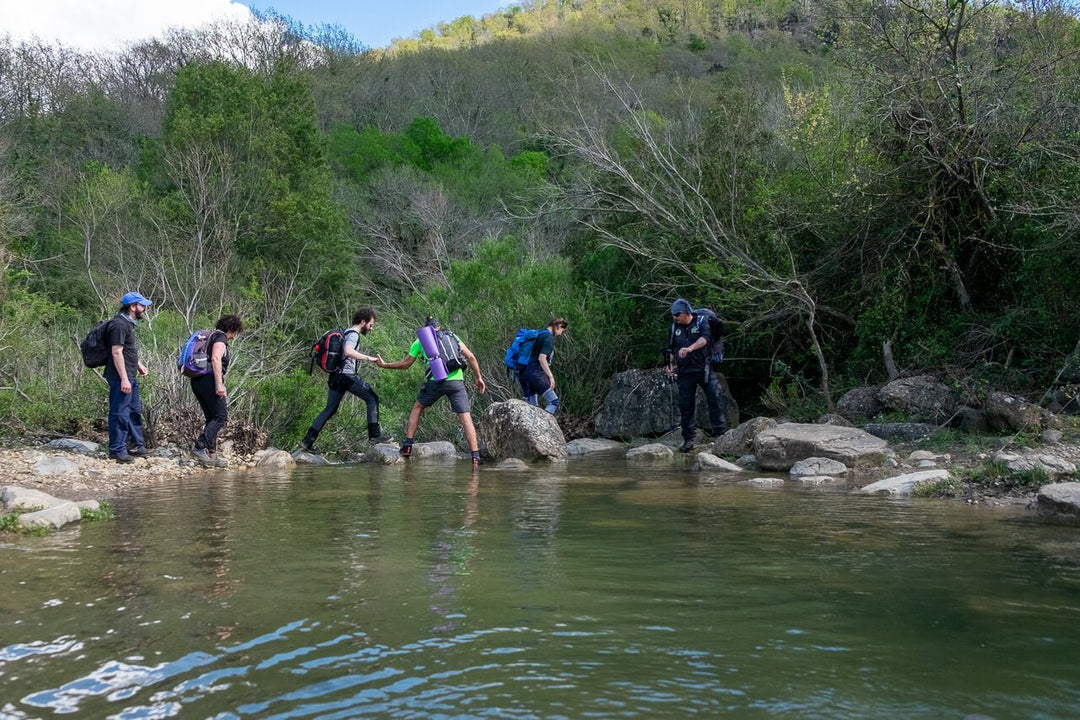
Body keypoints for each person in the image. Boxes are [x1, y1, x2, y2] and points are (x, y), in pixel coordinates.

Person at [377, 316, 487, 468]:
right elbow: (471, 357)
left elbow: (405, 364)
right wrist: (479, 378)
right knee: (465, 417)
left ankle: (408, 445)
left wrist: (385, 365)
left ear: (426, 328)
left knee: (417, 408)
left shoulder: (421, 340)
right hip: (456, 382)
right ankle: (475, 457)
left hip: (435, 381)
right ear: (438, 327)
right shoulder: (452, 336)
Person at [300, 307, 392, 453]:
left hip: (335, 377)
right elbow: (348, 351)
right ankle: (374, 436)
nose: (371, 328)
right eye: (370, 325)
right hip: (346, 376)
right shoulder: (354, 334)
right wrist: (370, 358)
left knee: (330, 409)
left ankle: (307, 441)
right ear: (363, 321)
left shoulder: (345, 332)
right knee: (372, 398)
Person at [666, 298, 726, 452]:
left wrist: (689, 348)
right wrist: (669, 365)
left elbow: (704, 339)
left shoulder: (701, 321)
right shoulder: (674, 328)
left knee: (715, 398)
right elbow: (671, 349)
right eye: (673, 314)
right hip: (685, 371)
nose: (675, 317)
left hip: (703, 368)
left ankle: (721, 435)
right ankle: (688, 439)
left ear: (686, 312)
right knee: (686, 405)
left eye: (677, 314)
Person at [105, 291, 152, 463]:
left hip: (130, 374)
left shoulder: (127, 324)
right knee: (120, 413)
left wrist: (138, 365)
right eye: (142, 305)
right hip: (120, 377)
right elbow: (116, 352)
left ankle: (136, 445)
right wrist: (124, 379)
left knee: (133, 411)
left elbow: (126, 350)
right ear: (133, 307)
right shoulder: (119, 324)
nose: (145, 309)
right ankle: (117, 450)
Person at [191, 315, 243, 468]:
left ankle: (212, 455)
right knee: (221, 417)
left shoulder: (210, 336)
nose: (235, 336)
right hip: (209, 380)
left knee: (211, 418)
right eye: (236, 332)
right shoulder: (220, 338)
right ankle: (200, 446)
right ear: (232, 329)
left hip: (197, 380)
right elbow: (215, 358)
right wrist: (219, 384)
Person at [520, 317, 568, 414]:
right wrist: (550, 376)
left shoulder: (540, 334)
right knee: (553, 402)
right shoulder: (548, 338)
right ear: (558, 326)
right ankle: (544, 423)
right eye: (562, 331)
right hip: (535, 374)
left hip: (523, 374)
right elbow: (541, 358)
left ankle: (534, 424)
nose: (560, 334)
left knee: (532, 409)